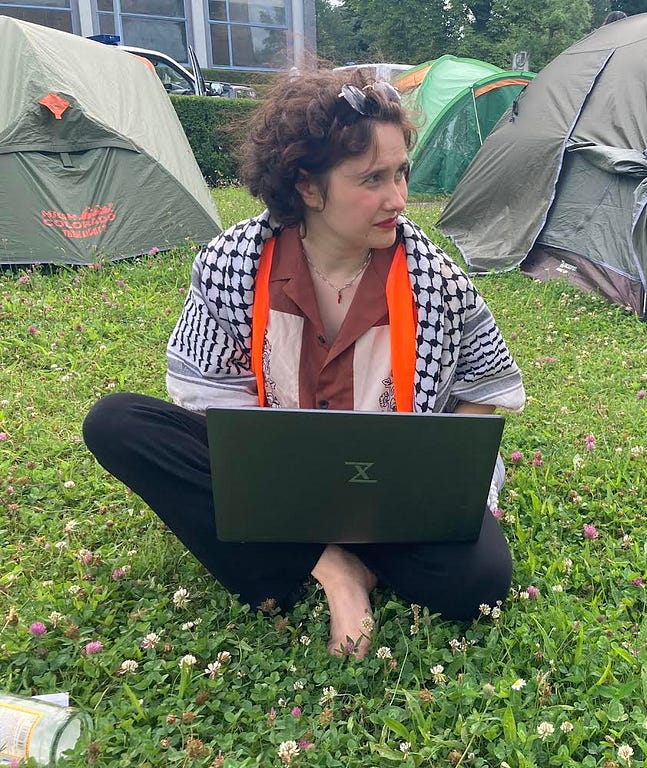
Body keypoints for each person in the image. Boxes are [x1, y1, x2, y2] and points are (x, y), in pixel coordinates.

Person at [82, 71, 525, 658]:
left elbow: (484, 382)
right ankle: (334, 568)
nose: (398, 199)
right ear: (307, 187)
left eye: (400, 173)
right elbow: (210, 394)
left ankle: (287, 563)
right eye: (371, 179)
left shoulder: (434, 277)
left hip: (389, 497)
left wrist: (446, 486)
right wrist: (276, 484)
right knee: (118, 424)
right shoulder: (234, 260)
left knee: (481, 580)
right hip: (273, 489)